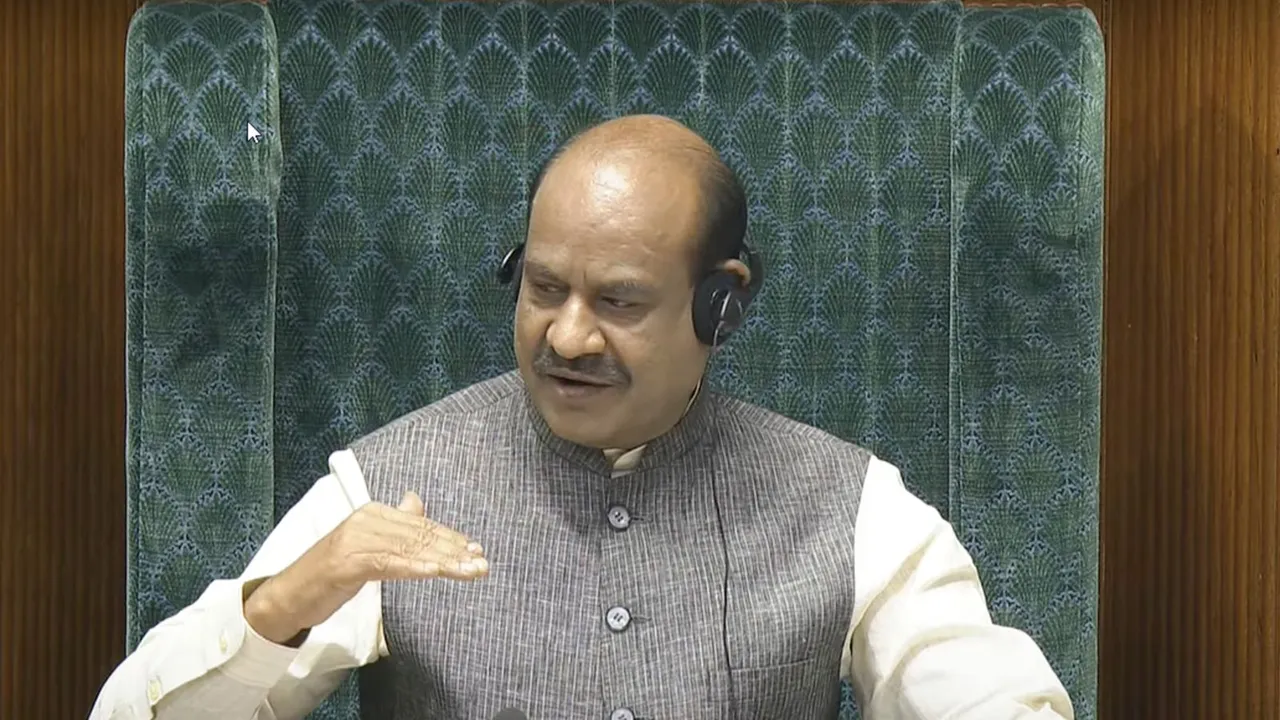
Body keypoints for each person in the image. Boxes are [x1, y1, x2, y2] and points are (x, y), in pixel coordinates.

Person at [90, 115, 1073, 720]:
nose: (564, 338)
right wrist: (284, 605)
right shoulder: (391, 483)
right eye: (542, 287)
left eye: (617, 301)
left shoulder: (851, 509)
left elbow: (980, 697)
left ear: (720, 304)